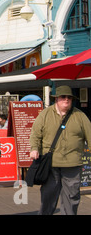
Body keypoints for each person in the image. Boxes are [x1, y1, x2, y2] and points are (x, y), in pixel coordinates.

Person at [30, 85, 91, 215]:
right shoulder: (45, 114)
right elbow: (35, 134)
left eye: (69, 97)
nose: (66, 100)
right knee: (48, 197)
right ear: (56, 99)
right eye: (63, 97)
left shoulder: (80, 116)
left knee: (71, 197)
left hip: (72, 164)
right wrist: (34, 149)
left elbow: (90, 136)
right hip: (50, 164)